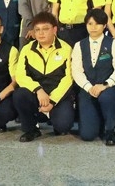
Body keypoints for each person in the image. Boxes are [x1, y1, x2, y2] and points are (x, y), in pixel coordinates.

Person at [12, 11, 75, 142]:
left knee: (63, 126)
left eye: (45, 29)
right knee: (19, 94)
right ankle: (31, 129)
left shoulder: (66, 49)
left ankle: (53, 117)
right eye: (37, 30)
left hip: (58, 98)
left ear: (54, 30)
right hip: (37, 95)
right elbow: (20, 75)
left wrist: (52, 101)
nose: (41, 33)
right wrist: (38, 90)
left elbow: (68, 79)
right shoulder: (27, 49)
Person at [71, 9, 115, 146]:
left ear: (104, 25)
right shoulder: (79, 45)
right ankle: (99, 121)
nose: (93, 27)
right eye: (90, 24)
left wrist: (105, 85)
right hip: (88, 89)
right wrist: (89, 87)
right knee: (87, 135)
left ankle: (110, 130)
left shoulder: (113, 44)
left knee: (106, 97)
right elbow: (77, 71)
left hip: (109, 87)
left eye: (97, 24)